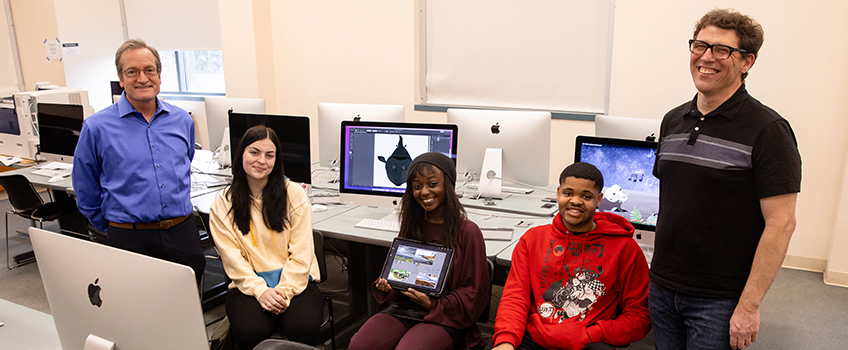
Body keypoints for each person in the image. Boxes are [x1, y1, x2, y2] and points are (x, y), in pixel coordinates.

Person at [650, 9, 802, 350]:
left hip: (719, 299)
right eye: (700, 45)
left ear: (746, 62)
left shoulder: (768, 130)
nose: (706, 57)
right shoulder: (673, 120)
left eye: (721, 50)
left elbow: (782, 224)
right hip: (662, 286)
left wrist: (749, 305)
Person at [73, 38, 205, 284]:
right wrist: (111, 226)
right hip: (129, 236)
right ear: (121, 79)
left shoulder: (181, 120)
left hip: (181, 231)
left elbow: (185, 162)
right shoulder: (97, 127)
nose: (142, 78)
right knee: (136, 309)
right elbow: (85, 187)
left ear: (159, 75)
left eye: (149, 70)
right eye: (132, 72)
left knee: (186, 306)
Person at [492, 162, 651, 350]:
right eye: (568, 193)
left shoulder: (625, 249)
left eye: (586, 196)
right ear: (558, 193)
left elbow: (639, 316)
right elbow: (515, 297)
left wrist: (591, 334)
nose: (575, 201)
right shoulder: (533, 239)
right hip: (534, 338)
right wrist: (505, 341)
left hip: (588, 342)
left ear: (599, 199)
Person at [348, 152, 490, 350]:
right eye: (417, 186)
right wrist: (389, 285)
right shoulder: (413, 224)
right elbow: (402, 272)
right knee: (360, 345)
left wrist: (432, 304)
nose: (424, 192)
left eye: (432, 184)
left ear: (448, 185)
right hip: (406, 308)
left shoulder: (468, 232)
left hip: (447, 316)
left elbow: (474, 294)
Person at [208, 125, 323, 349]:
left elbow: (302, 251)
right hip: (248, 283)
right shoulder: (224, 203)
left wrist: (284, 292)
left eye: (269, 155)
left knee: (304, 326)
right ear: (241, 153)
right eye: (254, 152)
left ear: (276, 160)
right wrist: (261, 291)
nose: (262, 160)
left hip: (295, 281)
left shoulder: (294, 194)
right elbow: (232, 259)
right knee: (251, 331)